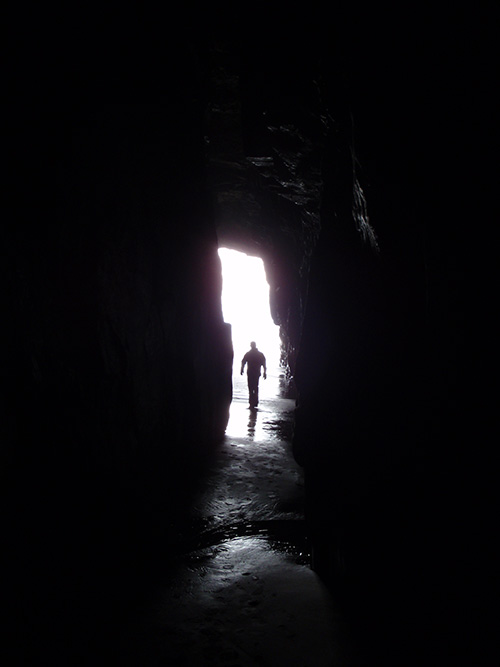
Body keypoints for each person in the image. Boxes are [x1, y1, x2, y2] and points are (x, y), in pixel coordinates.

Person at [240, 341, 267, 409]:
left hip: (250, 373)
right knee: (255, 387)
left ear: (251, 346)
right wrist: (264, 372)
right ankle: (255, 402)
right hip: (256, 373)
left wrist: (242, 369)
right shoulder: (260, 354)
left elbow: (243, 362)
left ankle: (251, 403)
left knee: (251, 387)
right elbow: (264, 364)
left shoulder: (248, 354)